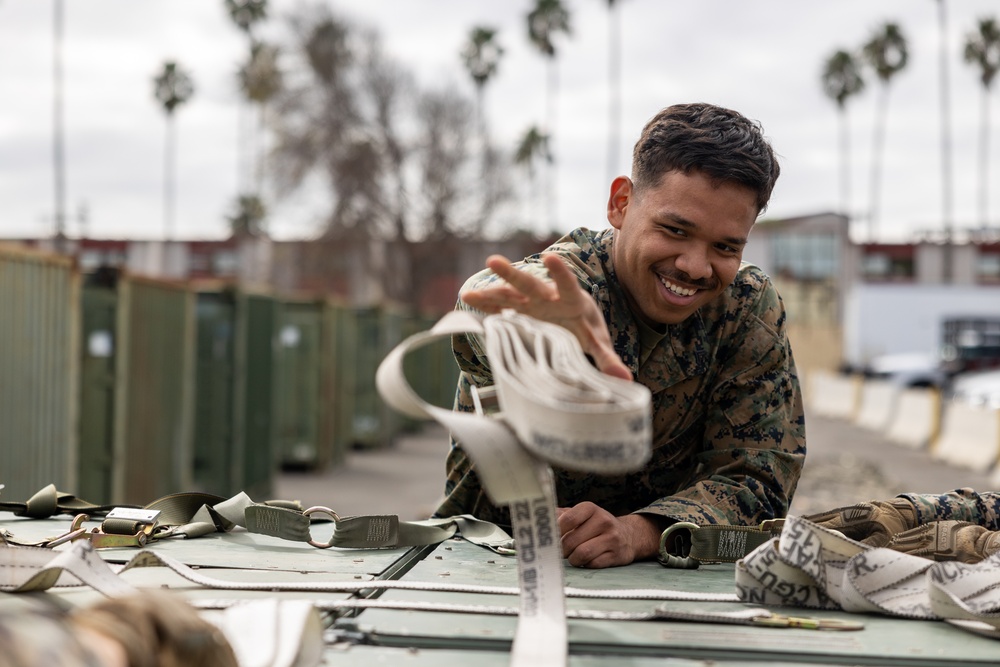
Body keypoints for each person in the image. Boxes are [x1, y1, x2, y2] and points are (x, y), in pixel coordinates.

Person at [433, 102, 806, 569]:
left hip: (666, 571)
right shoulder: (570, 281)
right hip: (492, 558)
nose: (695, 266)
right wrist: (543, 330)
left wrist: (639, 531)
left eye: (725, 247)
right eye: (674, 230)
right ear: (621, 204)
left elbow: (760, 479)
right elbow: (481, 305)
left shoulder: (747, 309)